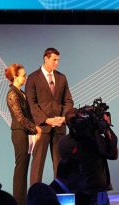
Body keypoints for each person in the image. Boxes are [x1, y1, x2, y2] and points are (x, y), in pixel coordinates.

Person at [26, 48, 74, 185]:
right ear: (45, 59)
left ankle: (61, 194)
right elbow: (31, 103)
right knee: (38, 163)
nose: (57, 63)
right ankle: (35, 195)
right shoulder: (33, 78)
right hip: (42, 128)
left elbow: (68, 100)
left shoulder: (61, 77)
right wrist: (46, 119)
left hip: (59, 127)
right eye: (54, 59)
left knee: (60, 164)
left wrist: (63, 117)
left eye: (58, 60)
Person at [59, 107, 118, 205]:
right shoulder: (94, 141)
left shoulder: (63, 143)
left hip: (76, 192)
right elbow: (113, 154)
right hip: (98, 191)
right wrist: (106, 127)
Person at [5, 63, 42, 205]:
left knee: (24, 168)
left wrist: (34, 128)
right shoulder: (12, 94)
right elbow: (20, 117)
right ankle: (18, 201)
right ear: (15, 77)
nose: (26, 77)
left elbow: (28, 114)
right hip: (19, 134)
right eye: (23, 75)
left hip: (26, 133)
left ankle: (22, 200)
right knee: (20, 169)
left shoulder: (21, 93)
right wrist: (35, 129)